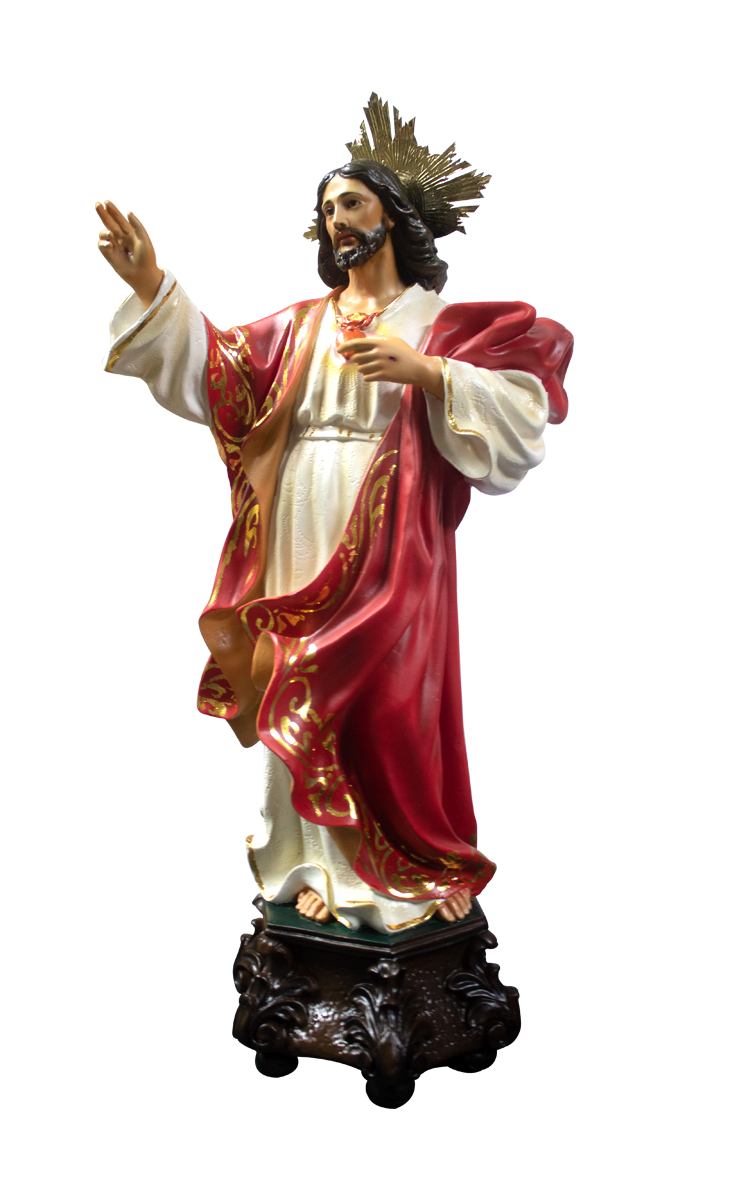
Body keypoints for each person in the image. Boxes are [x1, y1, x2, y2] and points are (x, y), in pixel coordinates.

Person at [97, 102, 571, 934]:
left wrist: (428, 372)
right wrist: (148, 286)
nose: (335, 218)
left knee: (392, 694)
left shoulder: (440, 325)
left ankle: (410, 860)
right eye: (327, 209)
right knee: (299, 679)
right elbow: (219, 377)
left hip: (394, 534)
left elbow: (522, 416)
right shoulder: (300, 328)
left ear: (394, 214)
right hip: (297, 516)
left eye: (351, 202)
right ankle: (320, 861)